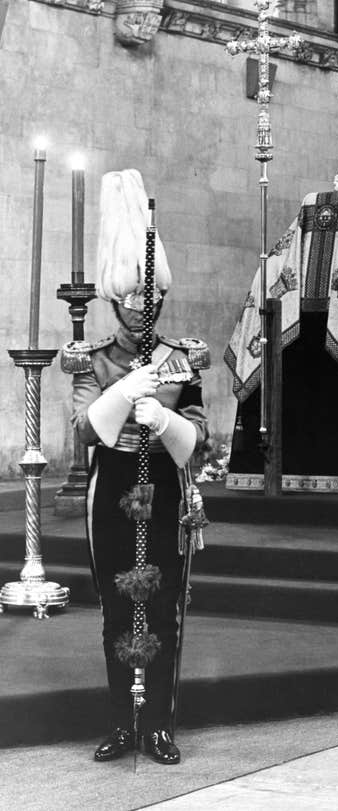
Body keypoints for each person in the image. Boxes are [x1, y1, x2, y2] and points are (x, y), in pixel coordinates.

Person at [61, 169, 210, 765]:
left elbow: (200, 442)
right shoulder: (91, 360)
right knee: (116, 610)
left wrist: (164, 418)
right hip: (114, 484)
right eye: (133, 302)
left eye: (153, 302)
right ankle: (122, 722)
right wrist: (126, 393)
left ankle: (159, 726)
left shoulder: (182, 359)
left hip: (166, 488)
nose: (144, 311)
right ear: (116, 303)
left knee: (167, 608)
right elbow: (82, 432)